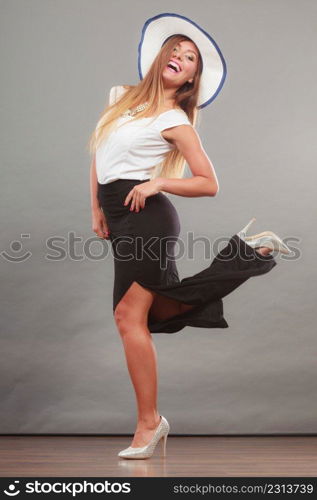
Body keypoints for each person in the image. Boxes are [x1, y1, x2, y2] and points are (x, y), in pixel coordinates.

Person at [88, 13, 291, 459]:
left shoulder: (174, 118)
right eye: (176, 50)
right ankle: (248, 254)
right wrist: (96, 208)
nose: (180, 58)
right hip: (118, 213)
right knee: (158, 309)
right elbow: (99, 153)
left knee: (128, 316)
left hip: (147, 216)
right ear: (162, 57)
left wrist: (158, 182)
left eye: (190, 58)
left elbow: (207, 182)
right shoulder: (120, 97)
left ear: (193, 77)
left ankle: (149, 423)